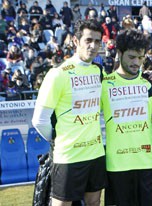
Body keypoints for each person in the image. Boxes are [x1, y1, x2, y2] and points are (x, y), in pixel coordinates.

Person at [31, 19, 105, 206]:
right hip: (68, 155)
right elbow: (39, 120)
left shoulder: (98, 71)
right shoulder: (58, 74)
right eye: (88, 40)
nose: (93, 46)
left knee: (94, 202)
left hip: (95, 152)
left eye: (97, 41)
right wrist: (57, 140)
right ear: (75, 41)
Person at [101, 29, 152, 205]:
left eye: (140, 57)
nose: (137, 62)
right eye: (131, 57)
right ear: (119, 53)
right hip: (116, 166)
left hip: (147, 163)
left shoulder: (151, 83)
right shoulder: (104, 84)